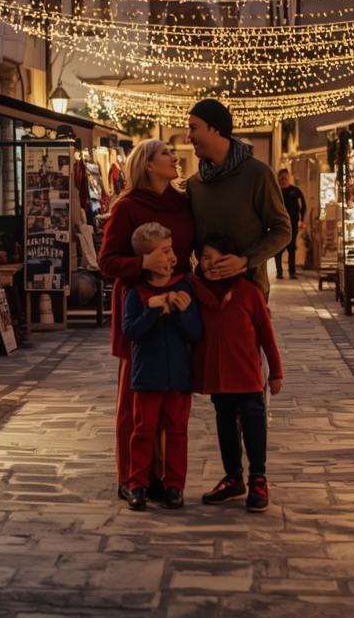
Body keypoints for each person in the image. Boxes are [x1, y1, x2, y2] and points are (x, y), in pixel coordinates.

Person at [98, 139, 195, 502]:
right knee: (134, 396)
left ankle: (165, 479)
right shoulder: (128, 207)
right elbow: (107, 262)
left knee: (172, 399)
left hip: (177, 303)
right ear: (149, 165)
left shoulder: (183, 204)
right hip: (140, 304)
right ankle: (131, 477)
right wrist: (143, 264)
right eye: (166, 153)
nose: (175, 157)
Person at [194, 234, 283, 512]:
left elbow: (266, 335)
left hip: (247, 374)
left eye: (217, 258)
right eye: (205, 258)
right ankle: (233, 477)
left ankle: (258, 478)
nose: (210, 264)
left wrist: (276, 371)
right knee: (225, 424)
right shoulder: (197, 292)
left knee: (253, 423)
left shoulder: (248, 293)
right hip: (218, 376)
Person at [120, 222, 203, 511]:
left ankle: (175, 485)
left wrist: (180, 312)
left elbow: (195, 332)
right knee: (143, 431)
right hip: (147, 377)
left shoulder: (184, 288)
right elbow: (130, 331)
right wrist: (153, 311)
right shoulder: (136, 293)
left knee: (177, 431)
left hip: (179, 377)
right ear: (148, 258)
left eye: (171, 250)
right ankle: (137, 485)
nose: (172, 257)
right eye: (165, 251)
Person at [184, 99, 293, 299]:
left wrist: (245, 260)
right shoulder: (194, 184)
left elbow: (282, 230)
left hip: (249, 292)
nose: (188, 136)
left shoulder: (257, 174)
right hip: (206, 294)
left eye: (193, 128)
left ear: (215, 129)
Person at [273, 169, 307, 280]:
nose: (284, 180)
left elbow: (303, 206)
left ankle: (292, 272)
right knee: (278, 249)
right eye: (281, 178)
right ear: (278, 179)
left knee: (292, 248)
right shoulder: (275, 191)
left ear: (289, 178)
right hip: (278, 224)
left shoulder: (295, 191)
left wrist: (302, 220)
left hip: (292, 224)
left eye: (285, 178)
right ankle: (279, 272)